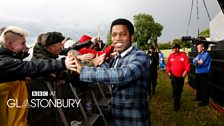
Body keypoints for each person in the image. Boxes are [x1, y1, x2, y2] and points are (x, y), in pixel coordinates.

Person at [72, 18, 150, 125]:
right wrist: (99, 63)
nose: (117, 38)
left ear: (132, 37)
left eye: (123, 34)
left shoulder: (140, 56)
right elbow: (108, 75)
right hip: (117, 118)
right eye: (114, 35)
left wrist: (84, 71)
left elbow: (122, 76)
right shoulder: (117, 58)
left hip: (133, 120)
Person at [0, 26, 76, 126]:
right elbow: (29, 66)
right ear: (10, 45)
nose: (26, 47)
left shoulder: (12, 61)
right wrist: (62, 64)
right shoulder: (4, 61)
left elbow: (28, 69)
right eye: (23, 43)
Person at [166, 44, 190, 111]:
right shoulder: (171, 56)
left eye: (173, 48)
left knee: (180, 90)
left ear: (177, 49)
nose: (172, 49)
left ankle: (177, 100)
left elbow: (187, 65)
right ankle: (176, 105)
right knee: (175, 89)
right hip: (173, 76)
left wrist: (185, 73)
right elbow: (168, 66)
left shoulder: (183, 55)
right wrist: (169, 73)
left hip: (181, 76)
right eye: (172, 48)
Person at [193, 41, 211, 107]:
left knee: (204, 88)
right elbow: (194, 61)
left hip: (204, 74)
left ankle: (204, 102)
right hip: (198, 73)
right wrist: (197, 62)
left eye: (198, 47)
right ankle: (198, 98)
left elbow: (201, 63)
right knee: (198, 86)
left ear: (203, 48)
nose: (197, 49)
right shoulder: (199, 54)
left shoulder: (206, 54)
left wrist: (197, 62)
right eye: (197, 47)